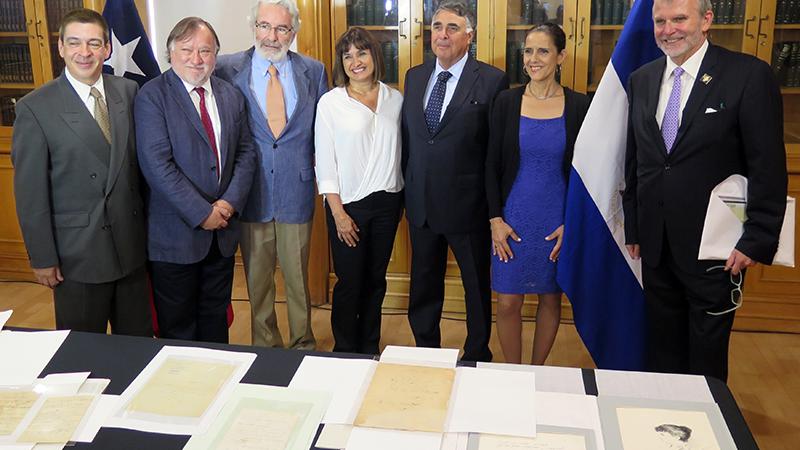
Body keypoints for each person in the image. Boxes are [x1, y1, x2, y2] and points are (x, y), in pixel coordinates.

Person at [623, 0, 787, 381]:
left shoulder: (748, 75)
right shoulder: (642, 79)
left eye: (679, 19)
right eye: (660, 21)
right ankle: (665, 426)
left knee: (706, 356)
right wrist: (634, 225)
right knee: (662, 349)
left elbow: (767, 166)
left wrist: (756, 238)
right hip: (656, 242)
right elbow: (638, 161)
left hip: (717, 248)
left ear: (706, 20)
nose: (668, 30)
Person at [11, 9, 151, 336]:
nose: (84, 53)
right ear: (60, 47)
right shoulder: (35, 107)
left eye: (93, 43)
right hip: (78, 255)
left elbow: (138, 171)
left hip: (131, 247)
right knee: (82, 354)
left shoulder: (128, 92)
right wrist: (42, 257)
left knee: (138, 347)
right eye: (74, 43)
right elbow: (31, 194)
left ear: (107, 49)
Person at [135, 17, 257, 343]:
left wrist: (228, 204)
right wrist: (202, 213)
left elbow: (246, 154)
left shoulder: (231, 96)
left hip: (222, 234)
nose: (196, 59)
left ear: (216, 55)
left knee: (216, 323)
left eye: (205, 50)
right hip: (176, 238)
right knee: (179, 331)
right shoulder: (152, 96)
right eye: (187, 50)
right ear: (170, 53)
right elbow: (157, 165)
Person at [215, 0, 328, 350]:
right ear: (254, 28)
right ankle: (265, 348)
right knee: (258, 281)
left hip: (296, 192)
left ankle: (302, 346)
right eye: (265, 26)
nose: (272, 36)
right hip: (250, 194)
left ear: (292, 33)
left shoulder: (314, 70)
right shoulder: (225, 68)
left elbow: (323, 133)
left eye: (281, 29)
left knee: (297, 279)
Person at [401, 0, 509, 362]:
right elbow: (411, 141)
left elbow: (496, 153)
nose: (442, 35)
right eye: (436, 27)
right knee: (423, 286)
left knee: (475, 288)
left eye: (451, 28)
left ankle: (478, 352)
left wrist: (495, 210)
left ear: (469, 35)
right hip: (422, 204)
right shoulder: (414, 77)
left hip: (469, 207)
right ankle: (426, 352)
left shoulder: (492, 81)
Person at [485, 23, 590, 365]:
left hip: (556, 220)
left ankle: (536, 372)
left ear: (561, 56)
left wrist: (572, 224)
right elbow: (490, 165)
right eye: (528, 51)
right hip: (511, 218)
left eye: (543, 51)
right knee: (507, 302)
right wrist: (495, 219)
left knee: (550, 298)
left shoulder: (579, 106)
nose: (533, 59)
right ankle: (513, 373)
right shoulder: (505, 102)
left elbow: (587, 174)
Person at [314, 27, 404, 355]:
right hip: (347, 206)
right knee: (350, 283)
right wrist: (338, 214)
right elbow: (325, 164)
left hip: (389, 203)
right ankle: (345, 350)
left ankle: (369, 347)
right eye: (348, 55)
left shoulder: (396, 99)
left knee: (375, 281)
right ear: (341, 62)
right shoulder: (330, 103)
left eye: (362, 53)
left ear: (374, 56)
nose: (355, 61)